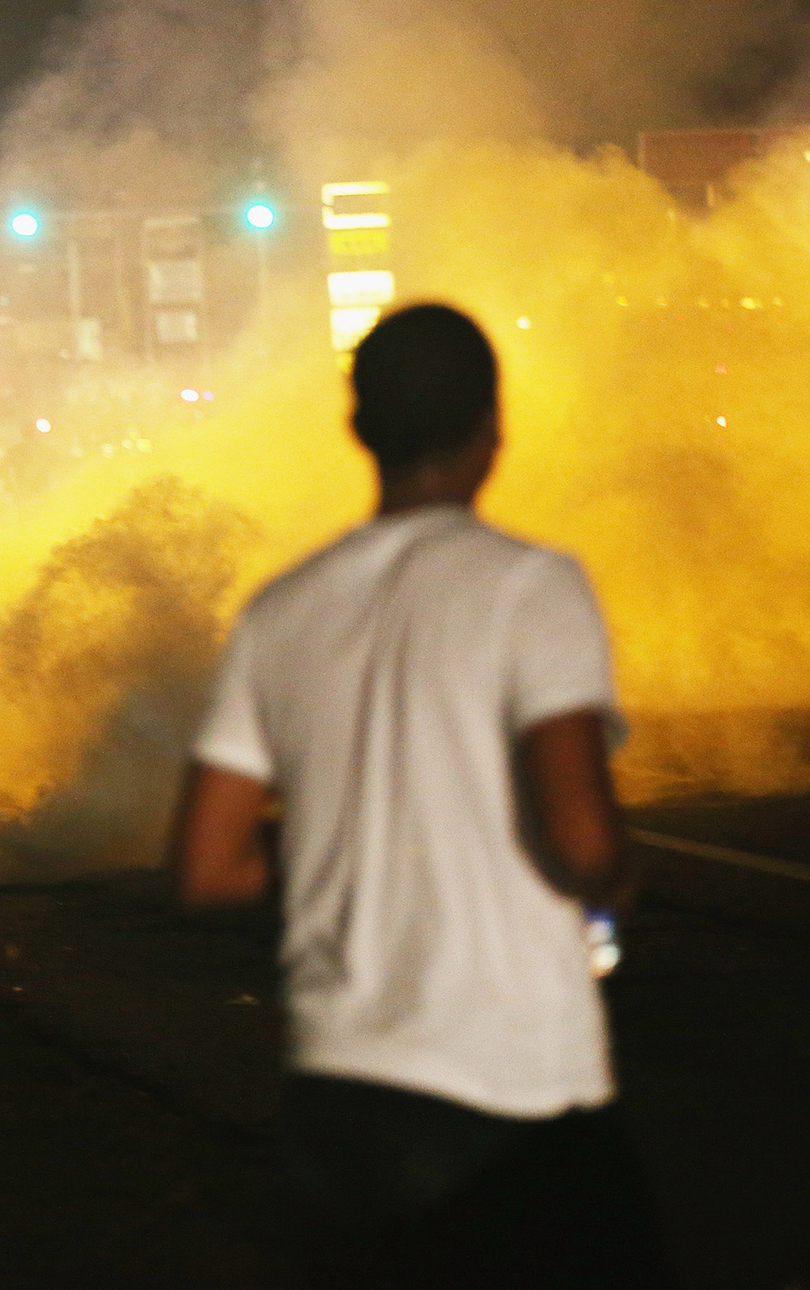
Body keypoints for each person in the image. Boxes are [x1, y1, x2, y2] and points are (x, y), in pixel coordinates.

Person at [170, 304, 669, 1287]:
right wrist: (616, 874)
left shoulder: (282, 610)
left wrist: (344, 850)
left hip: (339, 1098)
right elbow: (578, 841)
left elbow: (204, 863)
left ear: (357, 428)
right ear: (493, 428)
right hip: (514, 1091)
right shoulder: (531, 588)